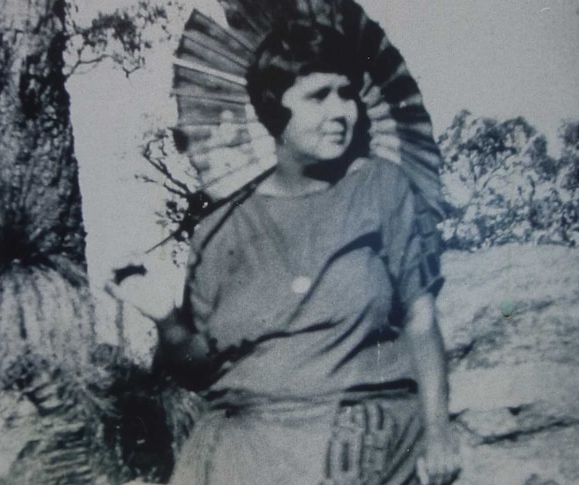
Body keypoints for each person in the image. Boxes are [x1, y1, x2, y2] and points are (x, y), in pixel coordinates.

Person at [111, 20, 461, 485]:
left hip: (356, 430)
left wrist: (438, 433)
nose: (341, 111)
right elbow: (197, 369)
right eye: (318, 96)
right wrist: (166, 319)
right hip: (240, 447)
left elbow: (419, 317)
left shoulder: (379, 188)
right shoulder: (221, 230)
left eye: (347, 93)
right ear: (274, 109)